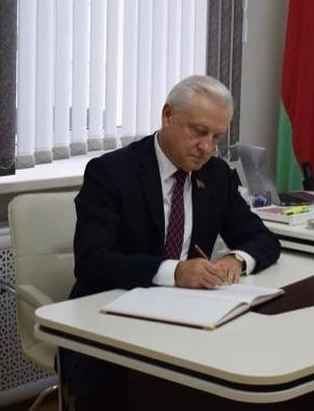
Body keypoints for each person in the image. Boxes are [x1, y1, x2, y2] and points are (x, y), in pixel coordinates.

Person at [62, 75, 281, 410]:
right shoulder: (111, 172)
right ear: (167, 116)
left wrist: (236, 259)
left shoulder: (216, 174)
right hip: (110, 320)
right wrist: (175, 272)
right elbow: (93, 261)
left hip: (187, 320)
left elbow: (262, 238)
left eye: (216, 137)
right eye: (199, 132)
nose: (207, 147)